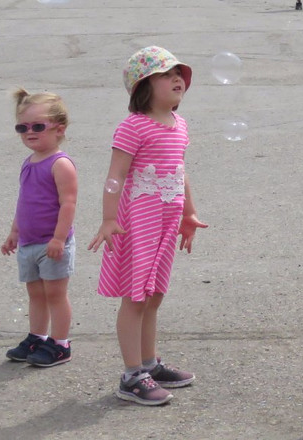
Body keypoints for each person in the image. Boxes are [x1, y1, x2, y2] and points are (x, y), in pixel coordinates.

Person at [88, 46, 207, 406]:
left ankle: (149, 364)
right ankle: (131, 375)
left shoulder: (180, 124)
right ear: (143, 86)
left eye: (179, 74)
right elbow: (115, 176)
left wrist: (189, 213)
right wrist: (109, 218)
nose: (176, 79)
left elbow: (180, 172)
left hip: (167, 222)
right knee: (136, 297)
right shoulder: (133, 126)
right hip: (138, 223)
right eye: (166, 73)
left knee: (154, 295)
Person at [1, 89, 78, 368]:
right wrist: (14, 231)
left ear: (59, 129)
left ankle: (60, 343)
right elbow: (25, 201)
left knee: (55, 294)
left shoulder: (61, 164)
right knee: (35, 293)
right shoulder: (28, 162)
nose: (28, 132)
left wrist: (59, 238)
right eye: (22, 127)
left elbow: (68, 204)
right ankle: (37, 336)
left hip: (52, 244)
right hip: (29, 242)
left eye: (37, 126)